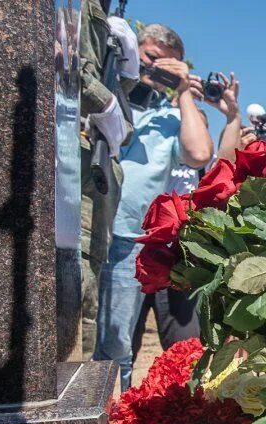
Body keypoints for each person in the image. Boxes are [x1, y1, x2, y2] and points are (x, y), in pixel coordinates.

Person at [93, 24, 215, 391]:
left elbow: (199, 153)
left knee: (116, 345)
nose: (152, 67)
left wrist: (184, 94)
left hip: (132, 239)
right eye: (147, 57)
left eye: (164, 64)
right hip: (92, 225)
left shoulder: (170, 116)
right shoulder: (108, 91)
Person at [76, 1, 138, 359]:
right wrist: (106, 102)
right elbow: (69, 69)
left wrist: (126, 73)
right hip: (79, 169)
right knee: (77, 291)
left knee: (85, 293)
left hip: (95, 175)